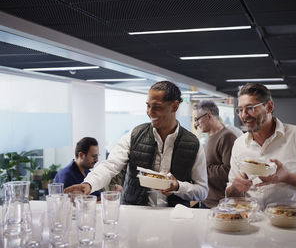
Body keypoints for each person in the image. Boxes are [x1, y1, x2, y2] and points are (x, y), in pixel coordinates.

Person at [66, 81, 208, 207]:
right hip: (135, 215)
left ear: (174, 106)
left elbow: (202, 191)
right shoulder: (135, 135)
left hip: (175, 218)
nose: (150, 112)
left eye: (156, 107)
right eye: (148, 106)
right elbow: (110, 166)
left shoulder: (193, 144)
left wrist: (178, 187)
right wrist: (88, 184)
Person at [225, 83, 296, 208]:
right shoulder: (239, 144)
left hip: (289, 221)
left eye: (250, 108)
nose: (243, 115)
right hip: (252, 220)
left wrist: (288, 177)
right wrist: (236, 187)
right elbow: (230, 195)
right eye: (240, 110)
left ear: (269, 107)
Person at [194, 100, 237, 208]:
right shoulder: (210, 136)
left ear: (208, 116)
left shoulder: (227, 137)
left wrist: (201, 169)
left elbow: (229, 172)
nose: (196, 124)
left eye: (197, 119)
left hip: (219, 205)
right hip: (207, 200)